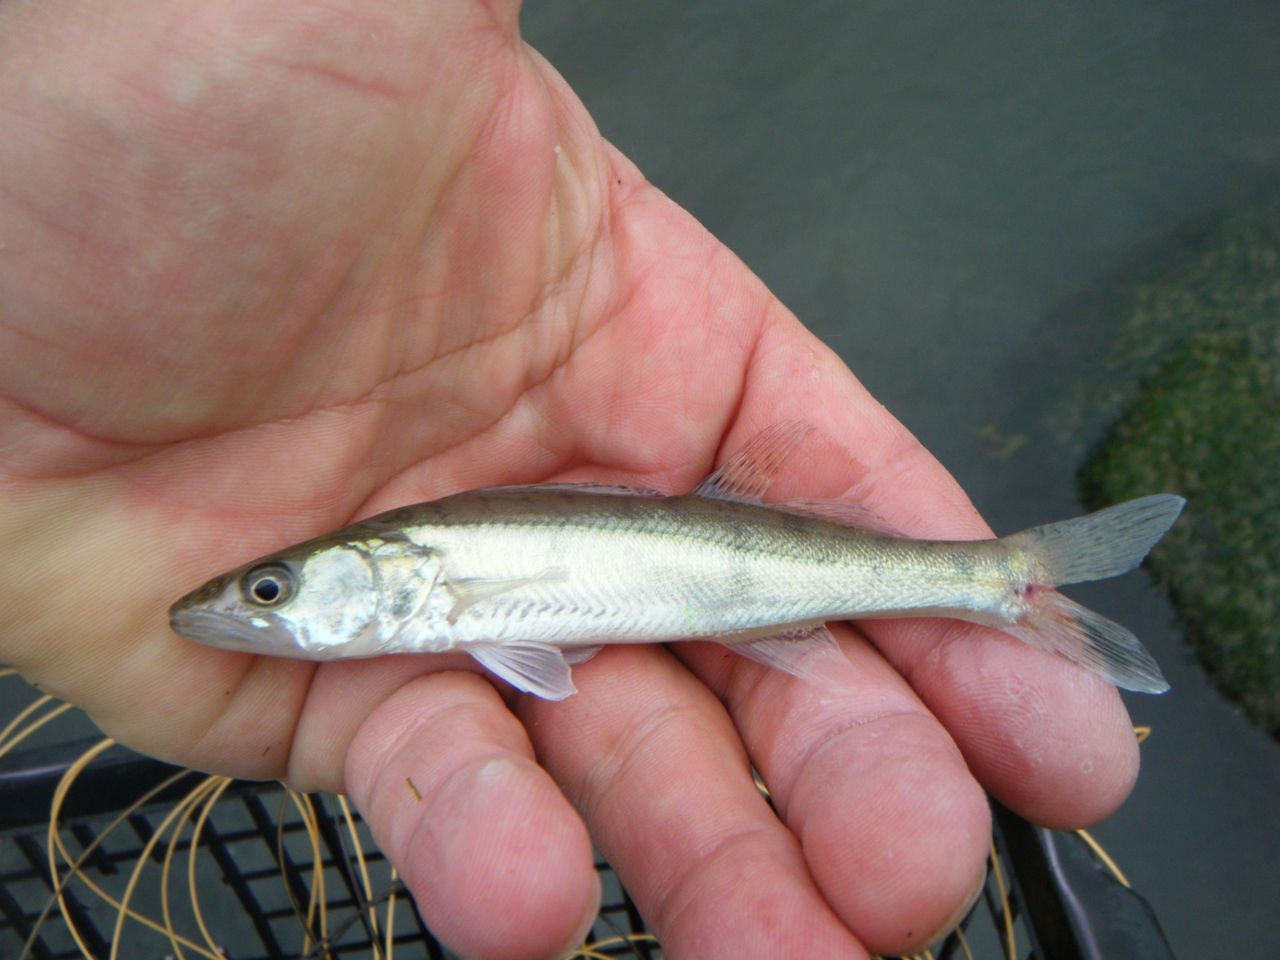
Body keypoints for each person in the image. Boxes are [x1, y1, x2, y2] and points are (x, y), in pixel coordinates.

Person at [0, 4, 1143, 958]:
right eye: (269, 592)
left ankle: (999, 584)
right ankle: (996, 585)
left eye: (270, 592)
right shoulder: (414, 575)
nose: (245, 609)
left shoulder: (428, 572)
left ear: (378, 574)